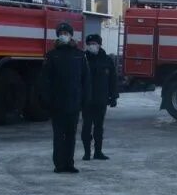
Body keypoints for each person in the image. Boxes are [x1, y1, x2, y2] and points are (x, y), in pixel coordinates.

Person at [40, 22, 90, 173]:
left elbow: (85, 79)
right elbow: (44, 80)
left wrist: (85, 99)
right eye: (61, 33)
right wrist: (47, 100)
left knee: (71, 135)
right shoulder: (51, 56)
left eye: (66, 33)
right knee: (58, 136)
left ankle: (69, 163)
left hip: (74, 103)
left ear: (71, 35)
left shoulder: (79, 55)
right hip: (57, 103)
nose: (64, 36)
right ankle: (59, 164)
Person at [81, 33, 119, 161]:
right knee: (86, 127)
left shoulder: (107, 60)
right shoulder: (83, 59)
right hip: (86, 100)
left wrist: (114, 96)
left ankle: (98, 152)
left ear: (99, 45)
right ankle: (87, 152)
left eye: (94, 44)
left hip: (101, 99)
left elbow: (113, 80)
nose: (92, 46)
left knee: (99, 127)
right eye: (89, 44)